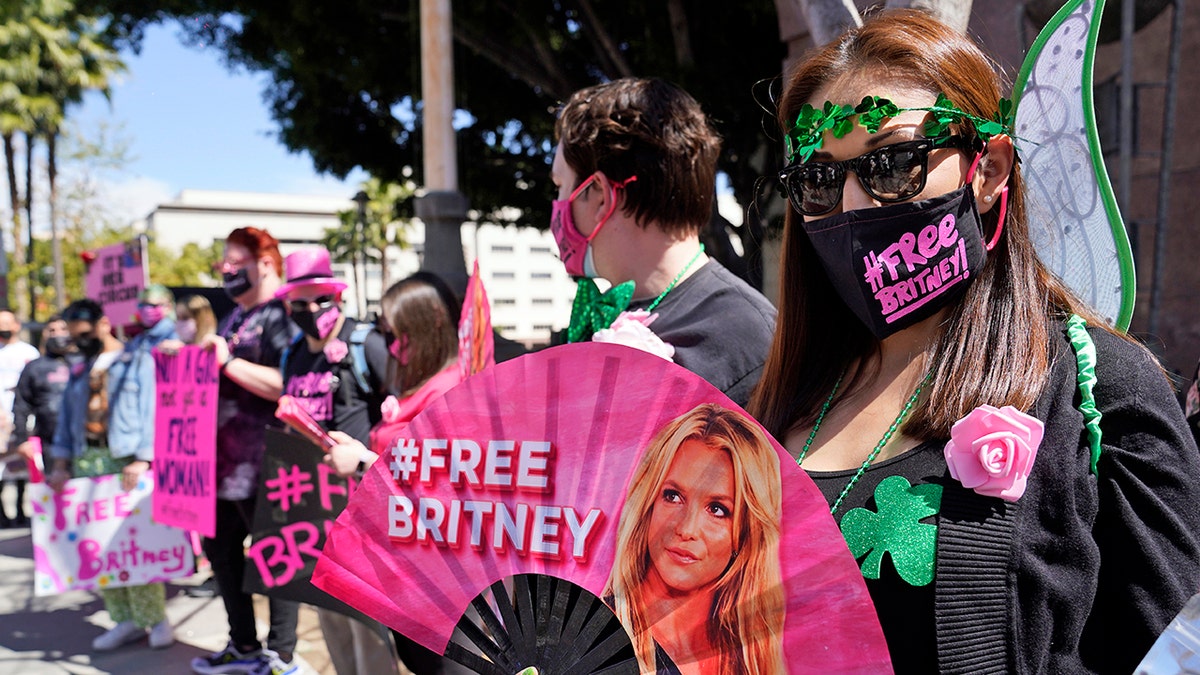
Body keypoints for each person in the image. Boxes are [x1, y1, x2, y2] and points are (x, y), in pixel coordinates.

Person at [747, 10, 1200, 673]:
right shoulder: (776, 397)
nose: (850, 206)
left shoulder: (1100, 387)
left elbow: (1171, 652)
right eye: (818, 179)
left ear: (987, 170)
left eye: (893, 162)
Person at [551, 78, 776, 407]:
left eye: (559, 186)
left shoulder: (750, 337)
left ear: (599, 195)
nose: (556, 204)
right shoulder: (604, 314)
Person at [324, 271, 461, 675]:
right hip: (405, 569)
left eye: (398, 334)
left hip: (440, 582)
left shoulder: (450, 389)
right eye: (386, 333)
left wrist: (364, 461)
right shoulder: (419, 385)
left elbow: (441, 485)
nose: (391, 346)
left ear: (429, 325)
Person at [274, 247, 399, 675]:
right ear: (288, 307)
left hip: (364, 507)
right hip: (313, 504)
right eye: (300, 303)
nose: (311, 310)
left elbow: (401, 417)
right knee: (329, 615)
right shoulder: (292, 354)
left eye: (321, 300)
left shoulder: (366, 344)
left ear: (338, 299)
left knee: (366, 622)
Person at [604, 403, 784, 675]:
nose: (686, 529)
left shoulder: (749, 662)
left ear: (745, 534)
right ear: (648, 504)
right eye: (673, 496)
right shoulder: (591, 633)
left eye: (717, 510)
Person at [193, 227, 300, 675]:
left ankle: (280, 655)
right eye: (224, 264)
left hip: (267, 461)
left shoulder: (284, 315)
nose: (227, 272)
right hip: (221, 466)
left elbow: (290, 386)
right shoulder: (233, 318)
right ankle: (242, 644)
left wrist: (228, 363)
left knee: (274, 557)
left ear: (267, 262)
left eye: (235, 262)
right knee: (221, 554)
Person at [46, 296, 176, 651]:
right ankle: (125, 619)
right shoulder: (77, 368)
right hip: (88, 462)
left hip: (124, 462)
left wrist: (144, 459)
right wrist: (60, 464)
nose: (78, 340)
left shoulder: (135, 359)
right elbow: (66, 421)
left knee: (135, 545)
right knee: (101, 547)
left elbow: (151, 409)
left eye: (84, 332)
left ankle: (155, 617)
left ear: (103, 323)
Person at [9, 315, 76, 527]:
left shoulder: (81, 362)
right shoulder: (34, 368)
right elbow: (21, 406)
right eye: (52, 330)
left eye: (62, 329)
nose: (57, 335)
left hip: (84, 443)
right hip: (50, 443)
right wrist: (21, 441)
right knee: (55, 492)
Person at [0, 309, 40, 527]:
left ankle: (21, 509)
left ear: (16, 325)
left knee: (23, 465)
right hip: (1, 419)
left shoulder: (28, 352)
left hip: (23, 417)